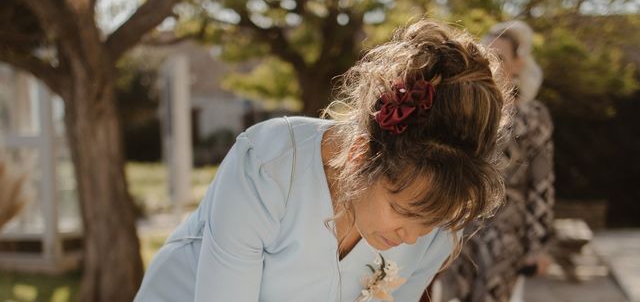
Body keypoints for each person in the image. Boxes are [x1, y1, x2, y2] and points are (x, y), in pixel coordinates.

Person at [134, 19, 510, 302]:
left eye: (431, 222)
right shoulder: (269, 167)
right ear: (361, 155)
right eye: (403, 210)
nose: (412, 237)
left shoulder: (437, 232)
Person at [434, 20, 555, 302]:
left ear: (519, 63)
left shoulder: (534, 116)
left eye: (500, 57)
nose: (493, 63)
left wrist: (539, 246)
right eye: (487, 55)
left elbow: (542, 183)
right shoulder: (468, 108)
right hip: (460, 224)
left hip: (506, 229)